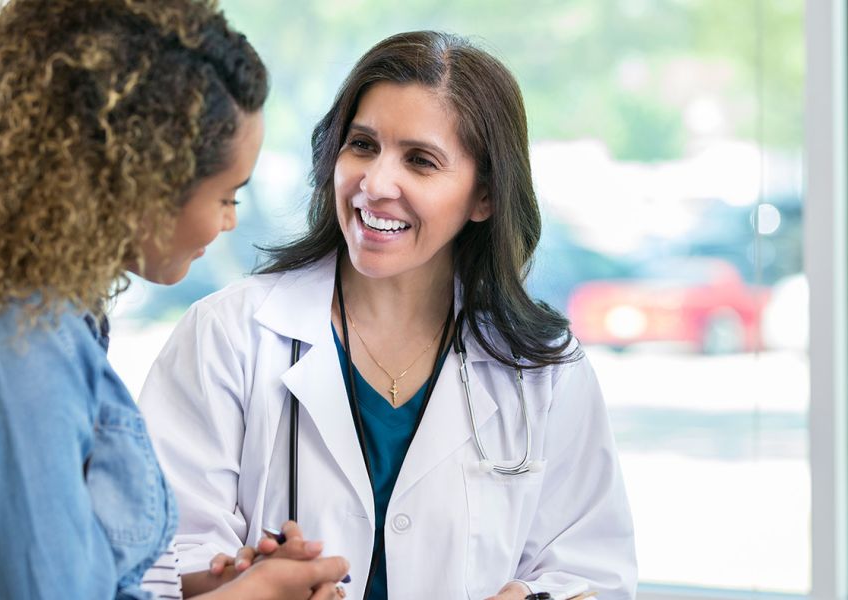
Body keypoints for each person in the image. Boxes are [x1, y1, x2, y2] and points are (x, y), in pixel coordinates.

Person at [0, 0, 349, 598]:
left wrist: (212, 585)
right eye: (227, 196)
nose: (230, 222)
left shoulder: (53, 318)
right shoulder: (17, 349)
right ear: (141, 185)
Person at [139, 30, 637, 599]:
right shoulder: (227, 336)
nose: (375, 184)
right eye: (363, 145)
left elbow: (593, 574)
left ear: (485, 197)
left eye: (420, 162)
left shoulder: (545, 369)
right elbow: (159, 558)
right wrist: (250, 582)